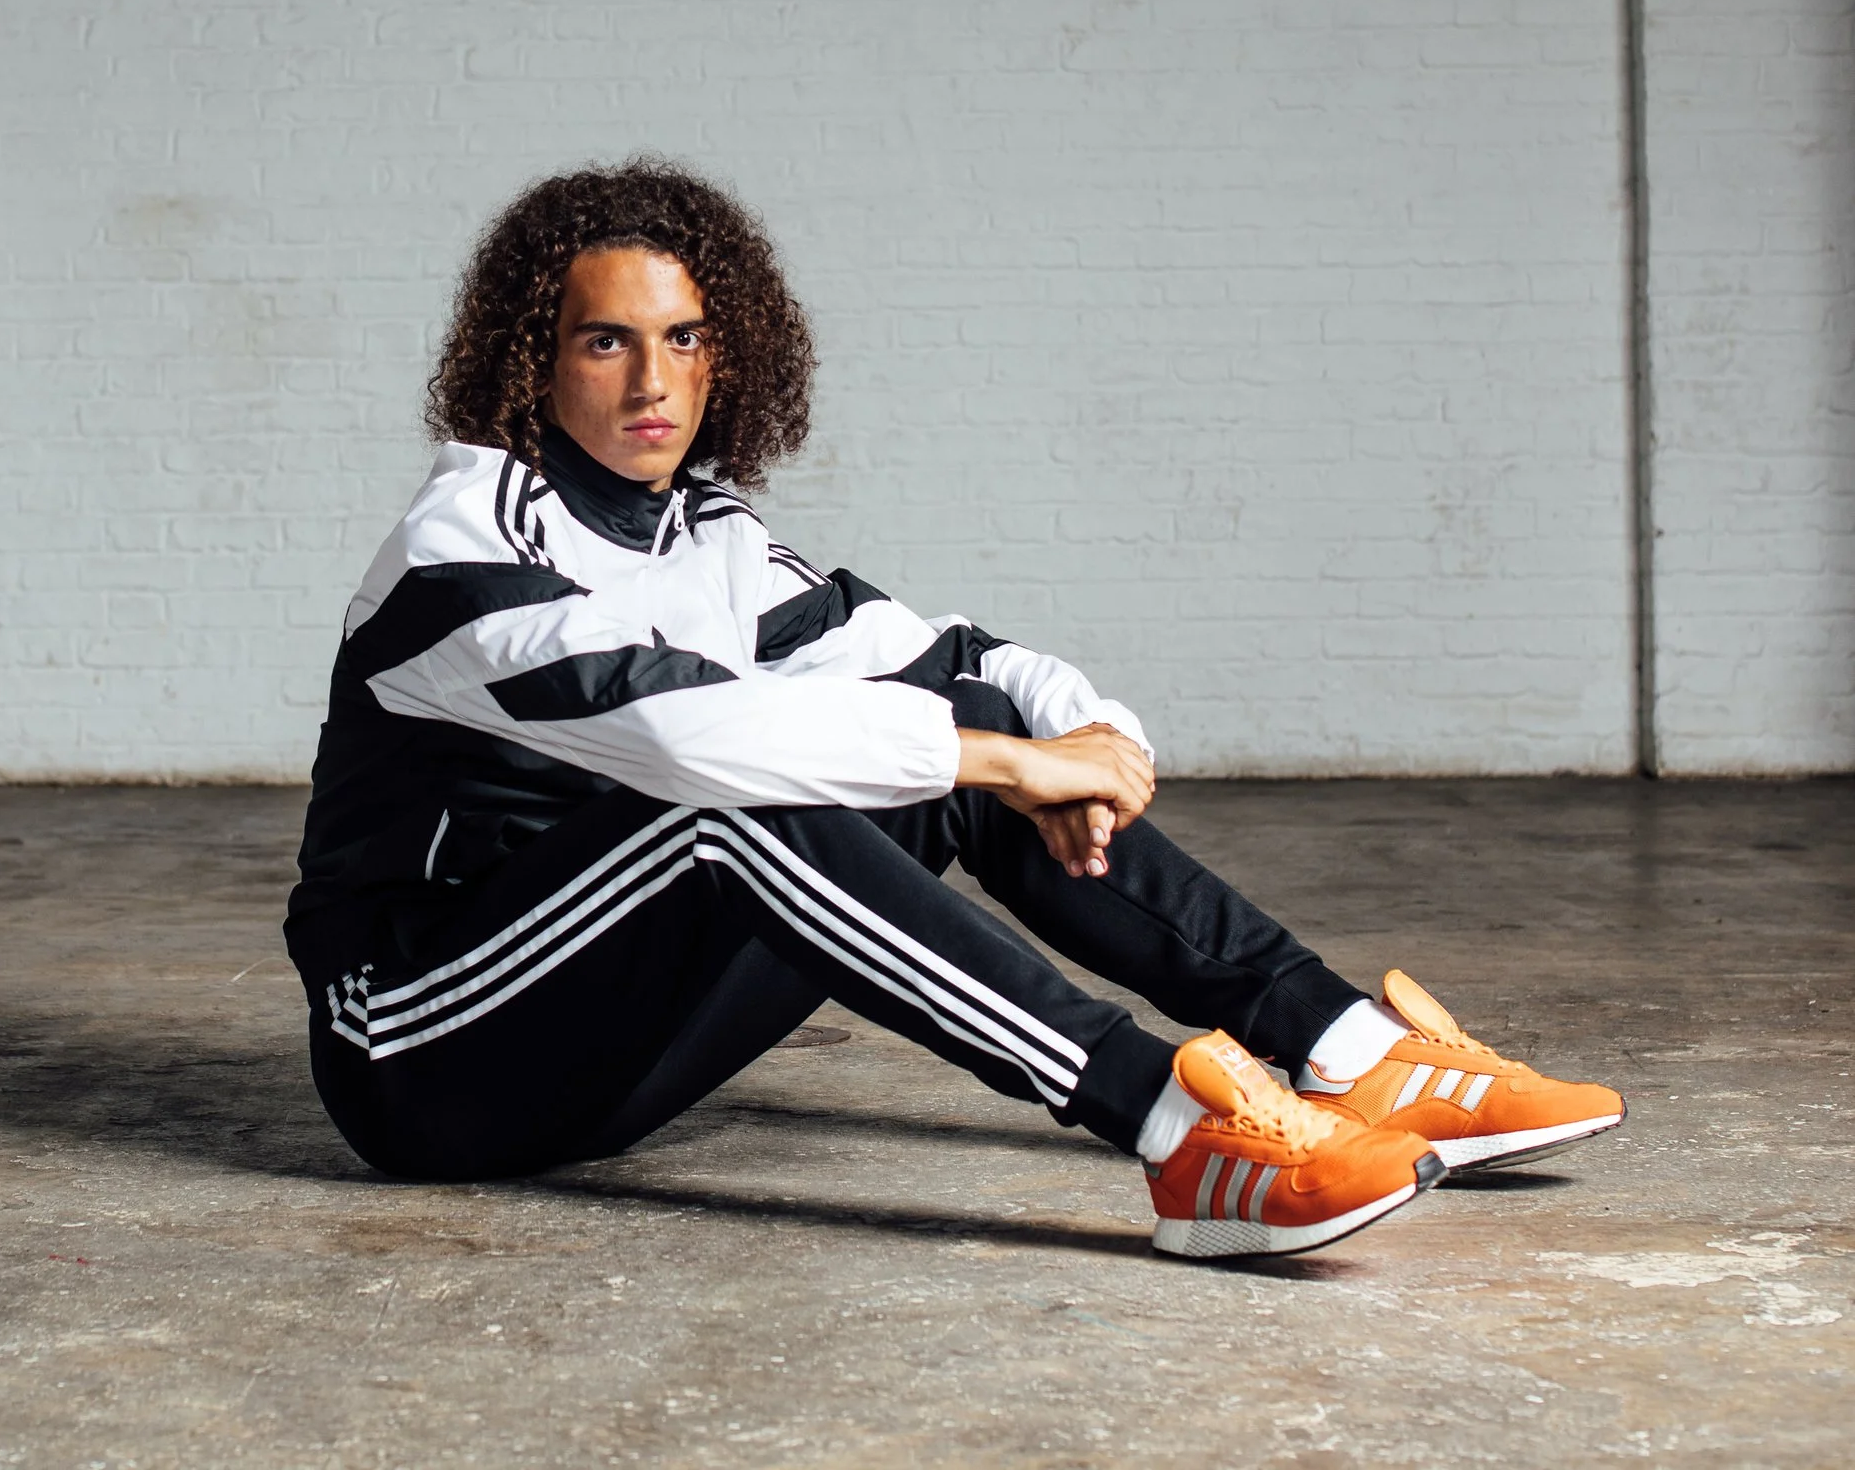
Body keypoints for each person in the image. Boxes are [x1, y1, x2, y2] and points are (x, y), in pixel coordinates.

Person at [282, 158, 1624, 1259]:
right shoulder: (463, 542)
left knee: (963, 734)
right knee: (742, 805)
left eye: (683, 338)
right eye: (606, 341)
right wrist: (1004, 761)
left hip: (607, 1042)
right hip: (424, 1051)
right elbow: (682, 734)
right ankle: (1176, 1130)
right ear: (534, 358)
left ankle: (1346, 1048)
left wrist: (1092, 744)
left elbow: (947, 655)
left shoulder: (708, 536)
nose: (652, 383)